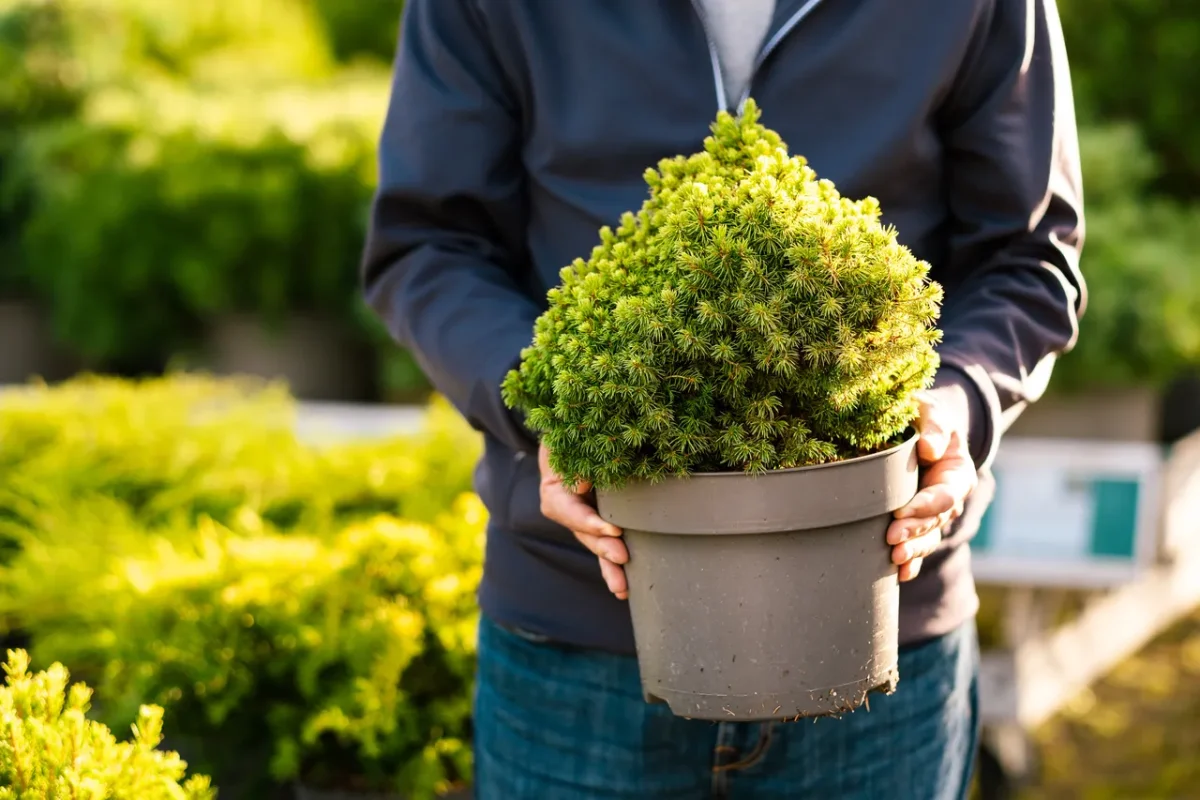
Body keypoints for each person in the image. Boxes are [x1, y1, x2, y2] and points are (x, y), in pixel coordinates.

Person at [361, 0, 1085, 797]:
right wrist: (559, 408)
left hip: (881, 619)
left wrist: (958, 404)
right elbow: (429, 246)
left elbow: (1029, 255)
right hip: (578, 636)